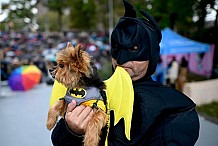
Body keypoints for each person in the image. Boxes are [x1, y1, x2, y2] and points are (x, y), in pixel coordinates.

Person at [50, 0, 199, 145]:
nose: (122, 60)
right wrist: (72, 131)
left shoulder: (175, 109)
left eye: (134, 49)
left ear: (151, 54)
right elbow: (57, 139)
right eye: (117, 47)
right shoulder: (95, 91)